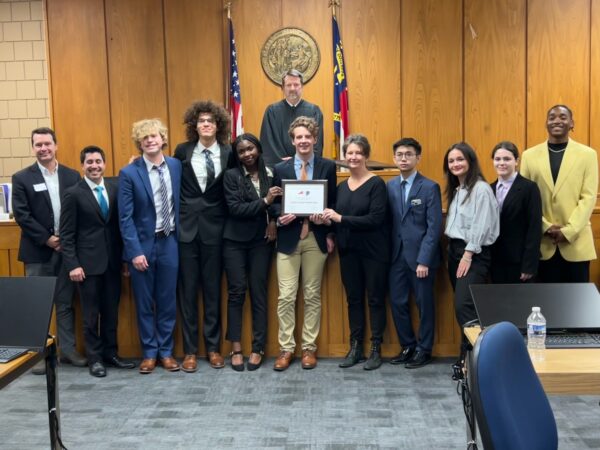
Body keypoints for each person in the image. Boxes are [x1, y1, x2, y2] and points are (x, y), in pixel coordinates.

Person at [12, 127, 85, 374]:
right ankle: (39, 355)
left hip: (67, 251)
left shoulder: (72, 175)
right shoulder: (22, 178)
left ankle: (68, 351)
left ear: (56, 145)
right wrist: (48, 239)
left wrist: (65, 239)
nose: (43, 149)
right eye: (38, 145)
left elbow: (78, 210)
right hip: (38, 251)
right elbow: (22, 214)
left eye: (47, 144)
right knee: (38, 304)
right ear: (33, 148)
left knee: (65, 303)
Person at [60, 146, 135, 377]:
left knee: (111, 312)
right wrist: (73, 264)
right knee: (91, 315)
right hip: (87, 265)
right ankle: (95, 359)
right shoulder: (73, 193)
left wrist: (124, 260)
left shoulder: (113, 187)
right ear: (82, 166)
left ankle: (111, 354)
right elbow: (66, 234)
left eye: (98, 161)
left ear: (104, 164)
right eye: (89, 162)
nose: (94, 166)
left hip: (112, 263)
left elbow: (118, 227)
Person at [271, 116, 336, 371]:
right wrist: (279, 215)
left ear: (315, 139)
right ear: (293, 141)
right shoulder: (281, 169)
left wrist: (330, 230)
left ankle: (309, 349)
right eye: (299, 137)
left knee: (312, 296)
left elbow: (334, 201)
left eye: (308, 137)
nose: (303, 141)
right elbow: (275, 202)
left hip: (316, 238)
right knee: (286, 296)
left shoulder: (327, 166)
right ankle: (286, 349)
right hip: (288, 239)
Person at [173, 100, 234, 373]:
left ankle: (212, 349)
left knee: (212, 292)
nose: (205, 124)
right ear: (194, 126)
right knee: (188, 294)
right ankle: (189, 352)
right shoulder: (182, 151)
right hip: (186, 231)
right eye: (201, 121)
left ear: (218, 125)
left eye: (210, 121)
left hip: (215, 231)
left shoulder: (229, 152)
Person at [118, 119, 181, 374]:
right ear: (140, 143)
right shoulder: (129, 173)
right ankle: (149, 353)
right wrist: (134, 252)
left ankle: (166, 352)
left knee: (167, 301)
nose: (150, 140)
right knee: (144, 302)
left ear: (163, 139)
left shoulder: (176, 166)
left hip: (170, 242)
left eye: (154, 136)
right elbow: (125, 217)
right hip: (143, 246)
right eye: (145, 138)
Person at [322, 134, 389, 370]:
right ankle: (356, 347)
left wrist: (340, 218)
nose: (353, 157)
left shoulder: (376, 184)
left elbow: (375, 219)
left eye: (358, 153)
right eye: (349, 153)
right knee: (353, 300)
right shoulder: (341, 186)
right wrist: (328, 224)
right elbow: (336, 220)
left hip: (373, 252)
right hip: (348, 251)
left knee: (375, 299)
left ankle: (375, 349)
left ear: (366, 156)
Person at [223, 133, 282, 371]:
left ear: (258, 148)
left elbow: (279, 202)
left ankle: (258, 348)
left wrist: (273, 221)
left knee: (259, 293)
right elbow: (236, 209)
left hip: (261, 241)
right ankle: (236, 348)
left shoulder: (270, 172)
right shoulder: (231, 176)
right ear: (236, 156)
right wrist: (266, 202)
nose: (247, 154)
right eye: (241, 151)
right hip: (234, 241)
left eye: (250, 149)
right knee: (236, 292)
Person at [520, 105, 598, 283]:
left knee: (577, 306)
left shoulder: (588, 155)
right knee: (543, 305)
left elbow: (588, 197)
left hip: (576, 243)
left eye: (563, 117)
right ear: (546, 123)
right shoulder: (529, 156)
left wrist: (569, 231)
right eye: (552, 117)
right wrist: (545, 226)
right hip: (541, 243)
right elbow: (523, 198)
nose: (557, 120)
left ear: (572, 123)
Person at [387, 138, 442, 369]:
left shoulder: (429, 187)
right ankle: (407, 345)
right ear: (394, 158)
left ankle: (424, 349)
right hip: (395, 257)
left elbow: (434, 227)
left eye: (408, 154)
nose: (403, 158)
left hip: (420, 259)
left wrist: (424, 260)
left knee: (424, 304)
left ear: (418, 157)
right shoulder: (388, 186)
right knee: (398, 302)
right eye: (399, 154)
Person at [443, 142, 499, 362]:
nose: (455, 164)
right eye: (451, 161)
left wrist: (467, 255)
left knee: (463, 307)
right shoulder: (458, 189)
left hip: (472, 255)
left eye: (460, 159)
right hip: (454, 252)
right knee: (466, 307)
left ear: (470, 161)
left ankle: (479, 359)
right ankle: (466, 357)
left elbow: (481, 225)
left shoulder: (481, 189)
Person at [490, 141, 542, 283]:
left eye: (507, 159)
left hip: (520, 262)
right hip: (495, 261)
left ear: (516, 161)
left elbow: (534, 228)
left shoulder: (529, 188)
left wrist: (529, 265)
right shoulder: (488, 189)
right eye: (497, 159)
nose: (502, 163)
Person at [260, 69, 324, 167]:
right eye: (289, 85)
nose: (292, 88)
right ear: (282, 88)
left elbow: (317, 142)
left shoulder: (314, 111)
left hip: (306, 167)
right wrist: (285, 163)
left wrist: (300, 160)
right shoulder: (272, 111)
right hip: (280, 169)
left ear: (302, 87)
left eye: (296, 85)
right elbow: (268, 144)